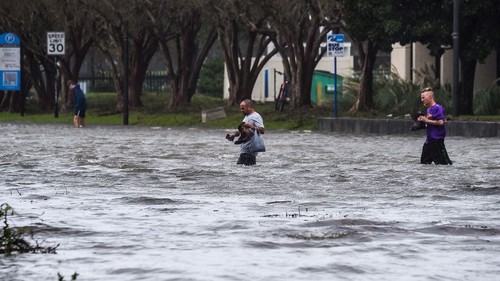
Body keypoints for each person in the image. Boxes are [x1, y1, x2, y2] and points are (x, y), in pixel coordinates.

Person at [417, 87, 452, 165]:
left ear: (430, 97)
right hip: (429, 141)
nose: (422, 100)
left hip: (437, 141)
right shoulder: (429, 110)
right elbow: (430, 123)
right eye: (421, 98)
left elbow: (441, 122)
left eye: (423, 97)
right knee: (424, 163)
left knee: (444, 164)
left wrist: (426, 120)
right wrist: (421, 123)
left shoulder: (438, 108)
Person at [226, 99, 265, 165]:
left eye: (243, 108)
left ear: (249, 107)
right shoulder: (247, 117)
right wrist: (233, 134)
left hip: (249, 152)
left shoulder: (256, 116)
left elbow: (262, 130)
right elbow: (240, 131)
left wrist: (251, 126)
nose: (241, 110)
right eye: (240, 109)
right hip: (244, 151)